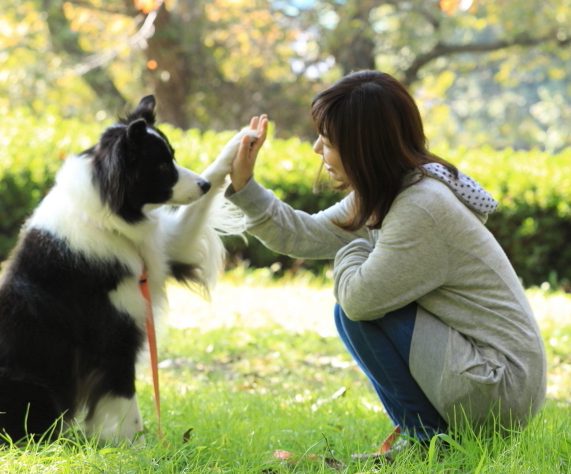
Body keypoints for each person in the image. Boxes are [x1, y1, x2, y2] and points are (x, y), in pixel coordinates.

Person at [226, 70, 547, 459]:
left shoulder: (420, 207)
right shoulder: (393, 191)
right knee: (360, 305)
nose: (315, 149)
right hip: (491, 378)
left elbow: (358, 300)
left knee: (356, 313)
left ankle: (430, 445)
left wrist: (350, 249)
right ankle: (432, 442)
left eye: (327, 142)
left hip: (498, 387)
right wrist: (245, 187)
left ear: (364, 149)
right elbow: (306, 235)